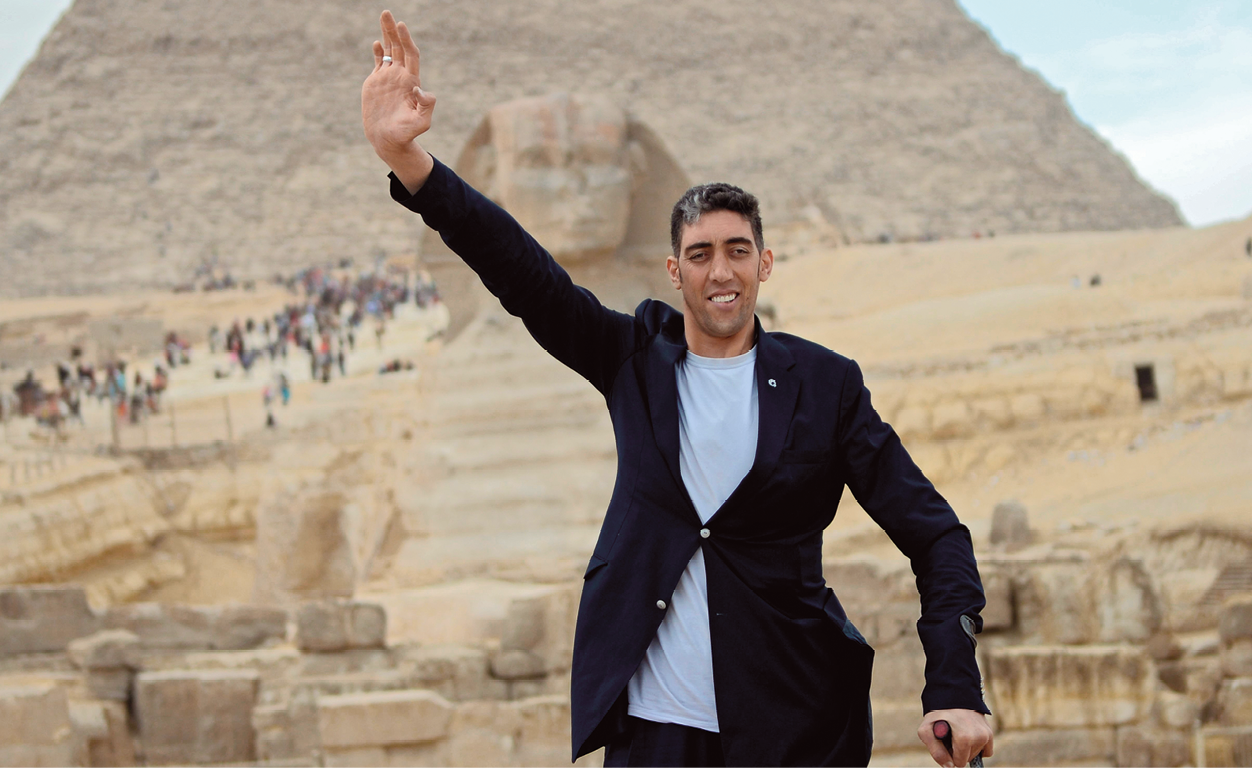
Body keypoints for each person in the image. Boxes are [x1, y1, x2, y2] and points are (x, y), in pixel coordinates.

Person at [361, 11, 992, 768]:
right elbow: (522, 271)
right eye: (700, 254)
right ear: (673, 271)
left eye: (737, 252)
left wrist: (954, 684)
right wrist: (409, 161)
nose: (719, 272)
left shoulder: (825, 385)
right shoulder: (633, 361)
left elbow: (935, 535)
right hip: (654, 732)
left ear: (765, 264)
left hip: (791, 723)